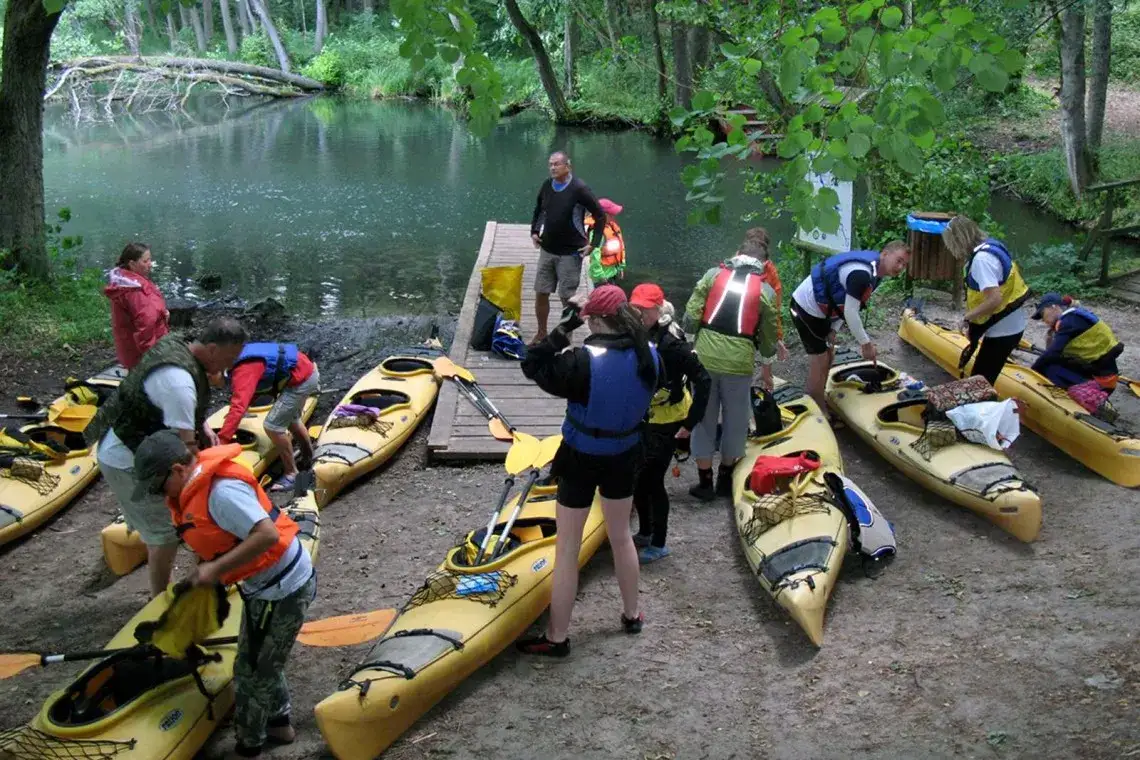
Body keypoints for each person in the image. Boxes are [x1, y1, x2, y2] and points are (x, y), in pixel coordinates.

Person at [131, 429, 316, 760]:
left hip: (282, 588)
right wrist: (207, 569)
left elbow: (267, 535)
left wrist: (214, 571)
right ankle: (278, 723)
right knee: (258, 658)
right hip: (264, 586)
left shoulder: (221, 493)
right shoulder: (194, 488)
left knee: (249, 672)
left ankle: (250, 744)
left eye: (159, 487)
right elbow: (218, 536)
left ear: (177, 470)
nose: (160, 496)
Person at [516, 284, 662, 656]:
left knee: (567, 549)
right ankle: (632, 614)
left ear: (595, 320)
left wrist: (564, 327)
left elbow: (531, 363)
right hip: (625, 454)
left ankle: (558, 636)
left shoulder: (581, 362)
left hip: (581, 457)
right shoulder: (651, 356)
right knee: (620, 536)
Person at [85, 318, 248, 598]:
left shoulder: (180, 343)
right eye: (229, 358)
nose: (229, 366)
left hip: (140, 444)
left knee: (176, 520)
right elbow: (186, 451)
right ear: (210, 348)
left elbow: (188, 425)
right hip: (127, 460)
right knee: (164, 535)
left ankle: (198, 572)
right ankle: (158, 599)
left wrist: (204, 427)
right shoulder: (180, 386)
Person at [683, 237, 779, 501]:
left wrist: (691, 331)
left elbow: (692, 315)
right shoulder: (766, 292)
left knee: (704, 416)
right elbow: (769, 337)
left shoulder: (713, 275)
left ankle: (704, 482)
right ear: (764, 263)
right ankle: (725, 478)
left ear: (737, 254)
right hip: (739, 362)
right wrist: (768, 358)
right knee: (736, 418)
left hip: (705, 358)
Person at [629, 283, 710, 563]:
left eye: (643, 309)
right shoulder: (643, 330)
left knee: (653, 480)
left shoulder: (673, 345)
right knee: (639, 478)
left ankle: (659, 543)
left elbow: (704, 379)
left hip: (670, 420)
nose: (638, 313)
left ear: (657, 309)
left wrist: (691, 423)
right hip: (647, 416)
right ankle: (644, 531)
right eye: (635, 307)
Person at [789, 241, 911, 413]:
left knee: (830, 354)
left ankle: (820, 394)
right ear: (884, 254)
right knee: (820, 359)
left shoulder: (876, 274)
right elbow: (851, 312)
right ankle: (816, 408)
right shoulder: (861, 274)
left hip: (825, 310)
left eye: (904, 264)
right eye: (898, 260)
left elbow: (847, 303)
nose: (900, 267)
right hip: (806, 307)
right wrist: (866, 344)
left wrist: (833, 330)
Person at [217, 343, 320, 492]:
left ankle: (291, 474)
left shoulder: (242, 369)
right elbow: (249, 393)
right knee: (292, 420)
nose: (211, 382)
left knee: (273, 426)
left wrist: (222, 441)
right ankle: (308, 458)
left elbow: (238, 407)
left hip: (301, 379)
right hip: (305, 371)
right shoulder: (236, 358)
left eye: (209, 377)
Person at [941, 216, 1031, 385]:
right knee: (983, 376)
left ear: (957, 241)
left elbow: (994, 300)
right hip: (1011, 325)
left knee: (980, 382)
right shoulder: (991, 246)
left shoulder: (982, 261)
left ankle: (983, 409)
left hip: (1003, 331)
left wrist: (967, 317)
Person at [529, 151, 606, 343]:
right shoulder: (547, 185)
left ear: (567, 166)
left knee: (567, 298)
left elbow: (600, 215)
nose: (553, 168)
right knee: (541, 292)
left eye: (557, 164)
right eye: (550, 164)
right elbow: (539, 209)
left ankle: (565, 337)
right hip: (547, 249)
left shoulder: (579, 189)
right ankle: (541, 333)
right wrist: (535, 231)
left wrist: (593, 244)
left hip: (570, 253)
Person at [1030, 293, 1124, 392]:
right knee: (1053, 362)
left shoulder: (1069, 321)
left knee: (1049, 368)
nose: (1043, 320)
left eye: (1042, 314)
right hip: (1104, 377)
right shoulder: (1074, 316)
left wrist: (1032, 371)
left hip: (1102, 384)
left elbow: (1052, 353)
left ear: (1053, 307)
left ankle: (1088, 396)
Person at [106, 242, 170, 370]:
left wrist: (162, 312)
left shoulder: (127, 281)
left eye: (150, 259)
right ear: (132, 264)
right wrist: (153, 357)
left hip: (130, 349)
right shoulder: (133, 291)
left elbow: (146, 309)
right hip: (143, 355)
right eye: (145, 261)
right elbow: (146, 324)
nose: (150, 264)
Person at [584, 197, 627, 286]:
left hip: (611, 273)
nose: (613, 217)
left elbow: (618, 251)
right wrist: (600, 277)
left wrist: (619, 268)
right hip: (602, 277)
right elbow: (594, 256)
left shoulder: (611, 227)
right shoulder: (597, 232)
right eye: (611, 214)